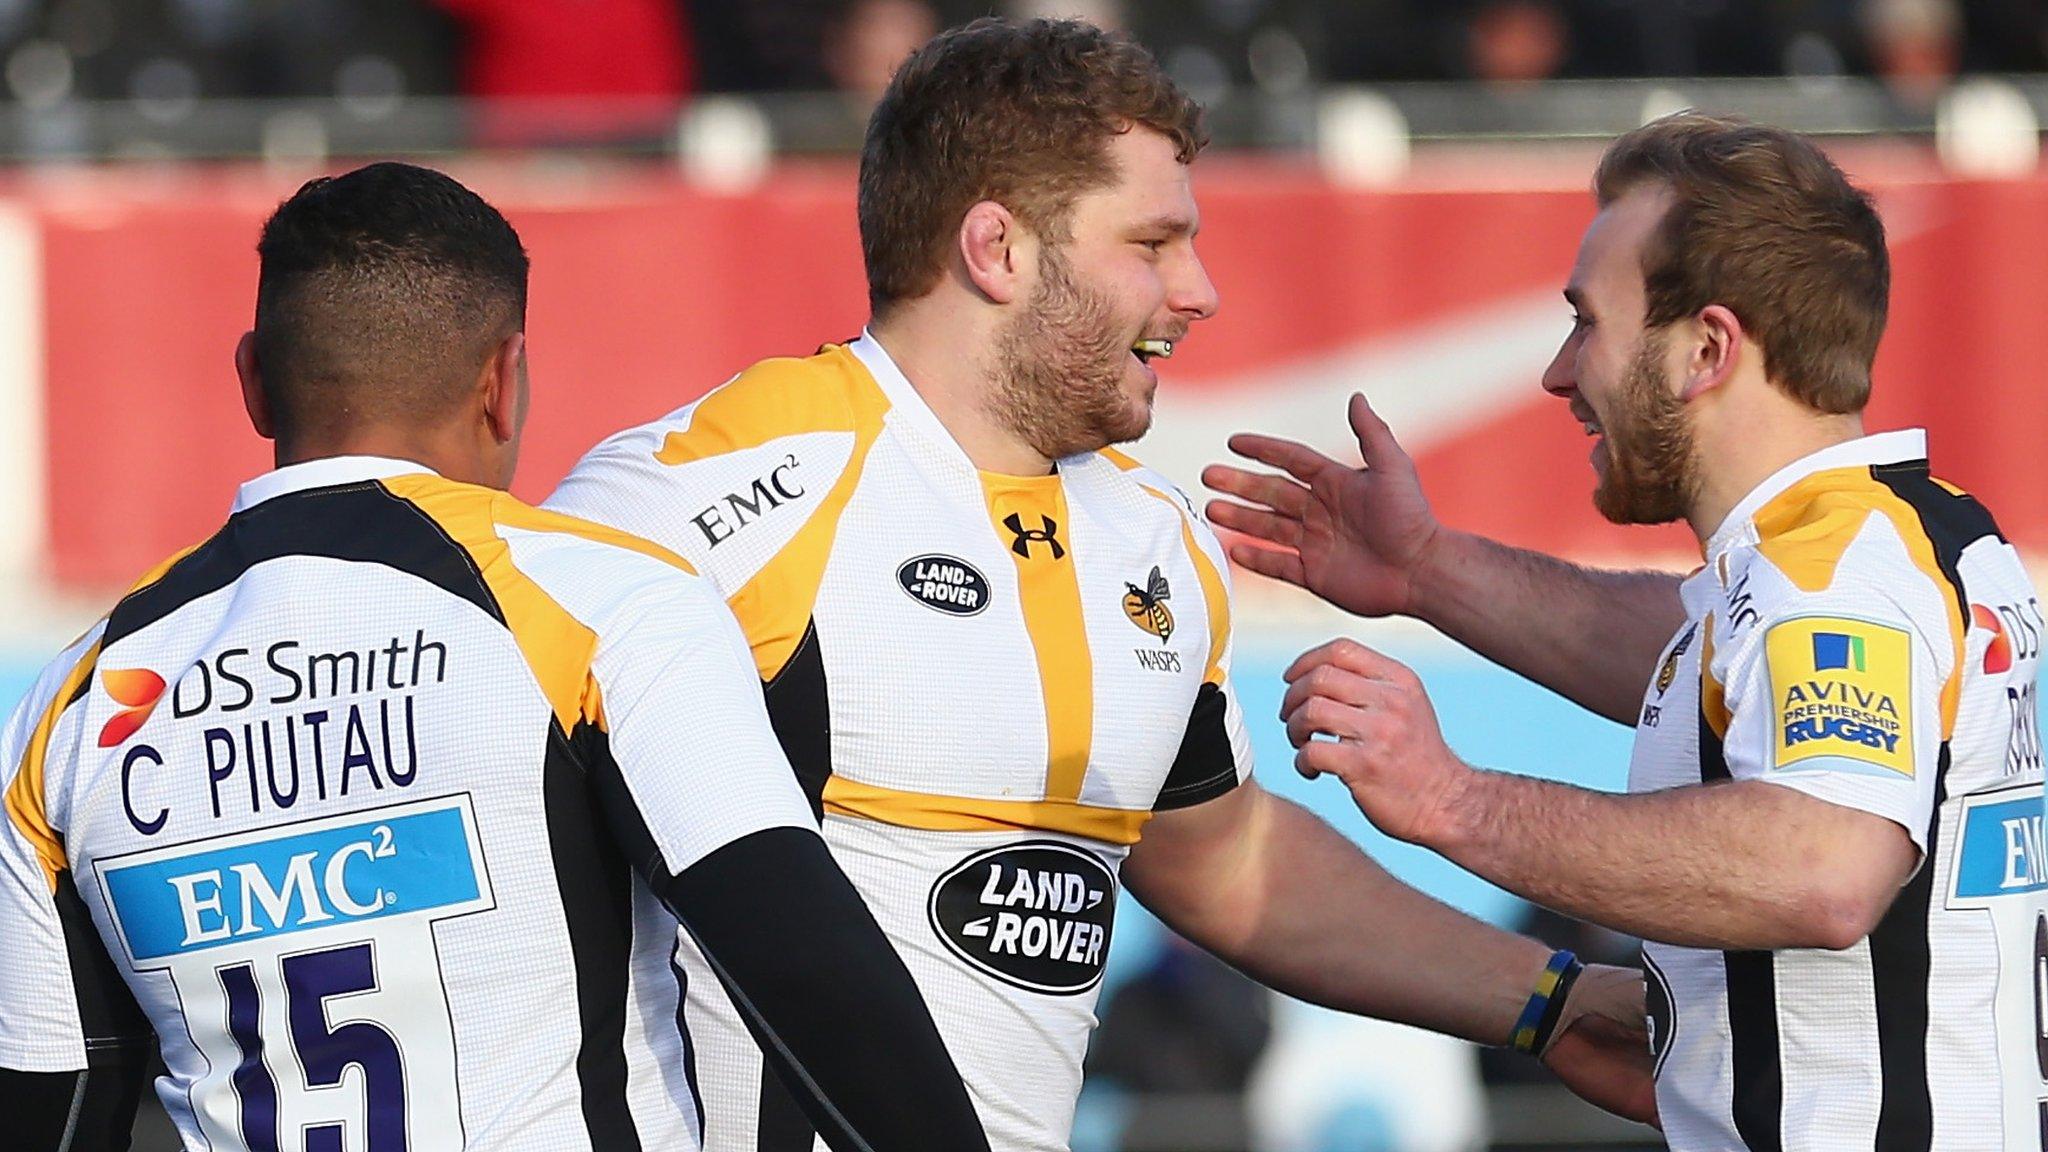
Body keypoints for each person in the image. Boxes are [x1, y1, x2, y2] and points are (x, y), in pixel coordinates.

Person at [546, 17, 1657, 1152]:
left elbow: (1225, 862)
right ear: (998, 248)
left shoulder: (1149, 537)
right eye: (1155, 241)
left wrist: (1550, 1003)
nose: (1201, 290)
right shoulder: (700, 494)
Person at [0, 162, 991, 1152]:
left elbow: (50, 1106)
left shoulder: (71, 701)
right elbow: (803, 963)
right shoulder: (602, 604)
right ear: (501, 382)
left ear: (255, 381)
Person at [1210, 112, 2045, 1149]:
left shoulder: (1833, 576)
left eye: (1585, 323)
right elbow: (1692, 661)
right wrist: (1426, 571)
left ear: (1705, 348)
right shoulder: (1879, 539)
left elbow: (1821, 867)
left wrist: (1449, 796)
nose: (1559, 375)